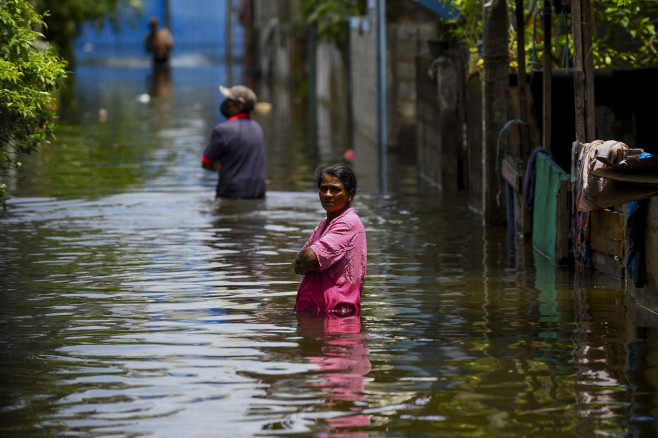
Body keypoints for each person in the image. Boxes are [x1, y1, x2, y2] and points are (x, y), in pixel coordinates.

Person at [294, 164, 367, 315]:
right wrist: (312, 261)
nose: (327, 194)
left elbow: (307, 257)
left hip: (336, 315)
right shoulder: (325, 223)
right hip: (316, 313)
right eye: (323, 189)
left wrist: (311, 262)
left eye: (335, 189)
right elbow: (298, 265)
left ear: (350, 194)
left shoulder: (348, 223)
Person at [201, 85, 266, 199]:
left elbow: (206, 162)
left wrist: (217, 166)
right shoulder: (258, 129)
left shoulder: (223, 130)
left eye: (229, 101)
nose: (226, 105)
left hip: (232, 194)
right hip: (258, 193)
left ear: (239, 106)